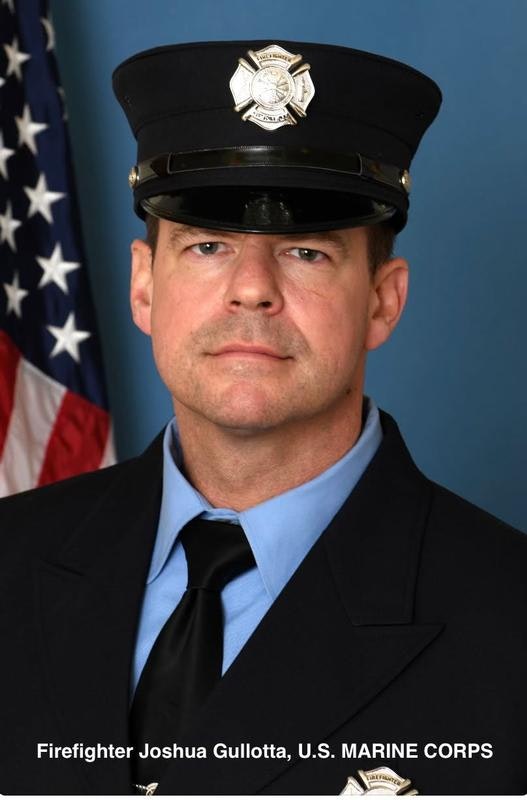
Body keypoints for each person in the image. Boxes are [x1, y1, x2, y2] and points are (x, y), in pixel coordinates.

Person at [1, 40, 526, 797]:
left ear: (383, 300)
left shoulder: (507, 623)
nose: (251, 290)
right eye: (208, 245)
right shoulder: (9, 565)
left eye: (308, 252)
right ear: (143, 287)